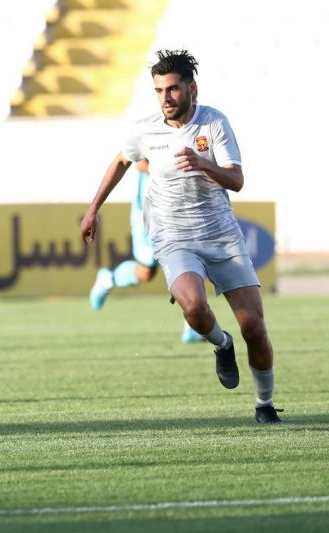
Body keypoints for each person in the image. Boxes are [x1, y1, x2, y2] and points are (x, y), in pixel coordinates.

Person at [80, 49, 282, 424]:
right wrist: (93, 209)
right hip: (173, 236)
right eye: (159, 91)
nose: (166, 98)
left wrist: (204, 163)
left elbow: (237, 180)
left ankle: (264, 404)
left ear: (192, 89)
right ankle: (222, 344)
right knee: (192, 306)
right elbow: (122, 161)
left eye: (172, 89)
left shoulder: (214, 123)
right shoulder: (145, 129)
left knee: (254, 327)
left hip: (221, 236)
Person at [89, 158, 203, 344]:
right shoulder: (148, 137)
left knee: (189, 259)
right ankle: (108, 279)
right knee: (146, 272)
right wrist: (171, 170)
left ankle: (193, 326)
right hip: (149, 211)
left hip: (180, 207)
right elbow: (140, 163)